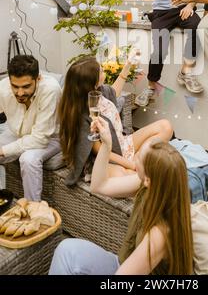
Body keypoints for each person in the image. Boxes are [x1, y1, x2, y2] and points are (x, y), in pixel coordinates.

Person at [49, 116, 193, 275]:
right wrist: (107, 144)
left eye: (138, 158)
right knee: (66, 249)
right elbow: (99, 185)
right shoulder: (152, 186)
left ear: (148, 179)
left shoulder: (159, 235)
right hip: (123, 262)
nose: (134, 157)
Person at [59, 56, 173, 186]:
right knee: (132, 177)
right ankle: (139, 161)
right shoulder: (81, 113)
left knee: (166, 126)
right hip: (103, 157)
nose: (104, 72)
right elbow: (99, 149)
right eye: (101, 71)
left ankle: (140, 160)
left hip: (121, 144)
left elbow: (114, 91)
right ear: (92, 82)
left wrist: (128, 64)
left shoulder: (100, 91)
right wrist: (131, 165)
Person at [135, 0, 204, 108]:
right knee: (160, 50)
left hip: (182, 7)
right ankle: (150, 86)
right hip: (161, 11)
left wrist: (190, 5)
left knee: (197, 26)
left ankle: (186, 72)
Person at [0, 55, 61, 200]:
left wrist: (2, 151)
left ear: (38, 79)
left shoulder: (50, 90)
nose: (20, 93)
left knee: (28, 160)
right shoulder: (3, 87)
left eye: (26, 86)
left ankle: (33, 210)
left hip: (51, 138)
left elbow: (40, 139)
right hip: (17, 133)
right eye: (15, 86)